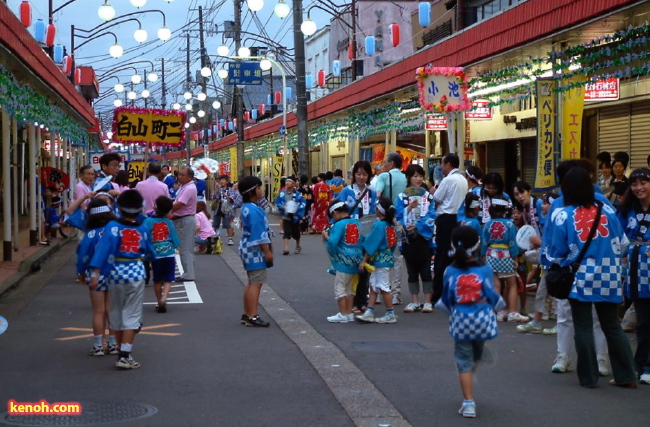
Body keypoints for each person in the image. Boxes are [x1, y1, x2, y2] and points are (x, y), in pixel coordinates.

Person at [547, 167, 637, 388]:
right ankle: (627, 375)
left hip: (581, 277)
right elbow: (624, 244)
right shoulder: (607, 211)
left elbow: (556, 252)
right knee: (612, 326)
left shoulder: (563, 215)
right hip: (610, 275)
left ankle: (588, 377)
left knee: (583, 326)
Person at [437, 226, 504, 419]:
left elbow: (446, 298)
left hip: (461, 321)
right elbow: (492, 294)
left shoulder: (449, 271)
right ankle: (477, 360)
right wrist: (498, 306)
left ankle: (468, 403)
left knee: (462, 360)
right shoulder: (485, 269)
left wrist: (452, 312)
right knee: (475, 352)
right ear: (477, 246)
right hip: (483, 320)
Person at [88, 190, 155, 370]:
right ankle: (125, 354)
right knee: (132, 313)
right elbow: (150, 251)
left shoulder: (112, 227)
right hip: (135, 272)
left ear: (119, 207)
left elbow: (102, 250)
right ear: (140, 208)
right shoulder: (142, 228)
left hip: (114, 273)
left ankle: (119, 349)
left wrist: (95, 273)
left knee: (115, 310)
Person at [618, 168, 650, 384]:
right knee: (644, 321)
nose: (639, 188)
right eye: (635, 184)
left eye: (643, 183)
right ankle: (642, 365)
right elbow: (618, 237)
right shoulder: (627, 209)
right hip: (637, 270)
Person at [76, 198, 118, 357]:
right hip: (114, 273)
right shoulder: (115, 230)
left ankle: (98, 346)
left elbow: (82, 255)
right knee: (111, 310)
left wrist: (81, 273)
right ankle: (113, 345)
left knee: (98, 311)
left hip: (95, 274)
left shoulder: (91, 234)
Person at [395, 164, 436, 313]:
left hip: (424, 238)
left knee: (426, 270)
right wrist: (409, 209)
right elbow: (398, 215)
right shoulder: (401, 197)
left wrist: (418, 226)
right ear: (408, 177)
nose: (418, 179)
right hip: (408, 238)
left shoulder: (428, 196)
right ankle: (414, 301)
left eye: (420, 176)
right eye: (415, 176)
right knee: (411, 270)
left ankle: (427, 301)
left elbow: (432, 215)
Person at [481, 197, 528, 323]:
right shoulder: (510, 225)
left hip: (491, 255)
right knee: (512, 285)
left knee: (495, 285)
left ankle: (499, 312)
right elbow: (513, 243)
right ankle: (512, 311)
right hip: (505, 256)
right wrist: (515, 259)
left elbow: (484, 243)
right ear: (505, 211)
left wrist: (483, 256)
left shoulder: (487, 224)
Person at [339, 161, 377, 314]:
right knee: (351, 269)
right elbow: (339, 211)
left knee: (364, 269)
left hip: (367, 235)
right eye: (358, 174)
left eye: (365, 174)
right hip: (350, 235)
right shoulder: (346, 191)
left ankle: (362, 300)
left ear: (369, 176)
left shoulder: (372, 192)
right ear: (353, 175)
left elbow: (375, 214)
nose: (361, 177)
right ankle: (352, 301)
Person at [432, 153, 468, 304]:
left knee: (441, 256)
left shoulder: (448, 180)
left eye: (442, 163)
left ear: (448, 165)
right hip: (457, 219)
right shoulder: (463, 180)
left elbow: (436, 198)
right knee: (454, 255)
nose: (441, 167)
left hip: (445, 218)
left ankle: (438, 294)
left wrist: (434, 191)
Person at [356, 197, 399, 324]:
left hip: (379, 260)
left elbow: (371, 243)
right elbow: (393, 244)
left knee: (383, 287)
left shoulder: (379, 225)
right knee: (374, 285)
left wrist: (364, 260)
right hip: (386, 258)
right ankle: (369, 311)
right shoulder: (391, 225)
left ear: (379, 210)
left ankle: (390, 313)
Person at [238, 176, 273, 327]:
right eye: (259, 188)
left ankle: (247, 313)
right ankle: (253, 315)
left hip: (246, 246)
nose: (261, 190)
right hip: (255, 249)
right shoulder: (255, 210)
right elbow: (259, 234)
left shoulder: (246, 207)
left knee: (252, 281)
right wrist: (267, 251)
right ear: (252, 191)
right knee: (256, 283)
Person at [322, 199, 365, 323]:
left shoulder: (339, 225)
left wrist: (326, 237)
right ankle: (348, 313)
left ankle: (342, 313)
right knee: (350, 288)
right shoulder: (357, 223)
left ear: (335, 212)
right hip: (356, 258)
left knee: (340, 286)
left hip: (343, 260)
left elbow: (332, 243)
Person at [374, 152, 408, 305]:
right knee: (397, 257)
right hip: (400, 220)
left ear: (392, 163)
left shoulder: (383, 177)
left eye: (386, 161)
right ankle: (396, 294)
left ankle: (382, 291)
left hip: (385, 220)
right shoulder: (405, 178)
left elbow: (378, 194)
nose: (384, 164)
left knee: (382, 255)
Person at [171, 166, 198, 282]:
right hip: (183, 219)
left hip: (185, 219)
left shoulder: (189, 188)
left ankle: (188, 273)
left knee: (185, 247)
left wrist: (165, 208)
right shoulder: (185, 187)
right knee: (185, 247)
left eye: (182, 175)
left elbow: (180, 204)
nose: (179, 177)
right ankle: (188, 272)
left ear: (190, 177)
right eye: (179, 174)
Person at [276, 177, 307, 255]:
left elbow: (303, 203)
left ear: (293, 184)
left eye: (289, 182)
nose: (287, 183)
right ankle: (286, 248)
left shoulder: (298, 194)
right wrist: (282, 206)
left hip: (295, 216)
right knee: (287, 231)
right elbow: (278, 201)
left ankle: (298, 245)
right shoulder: (282, 193)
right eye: (286, 182)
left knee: (296, 232)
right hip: (286, 215)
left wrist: (296, 208)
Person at [212, 175, 241, 246]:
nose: (221, 181)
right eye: (220, 180)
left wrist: (226, 196)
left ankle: (230, 238)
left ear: (227, 181)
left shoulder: (230, 190)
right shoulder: (218, 189)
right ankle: (216, 237)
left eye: (223, 180)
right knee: (216, 224)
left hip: (227, 210)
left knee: (228, 225)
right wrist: (216, 190)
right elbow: (213, 197)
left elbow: (233, 199)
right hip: (218, 208)